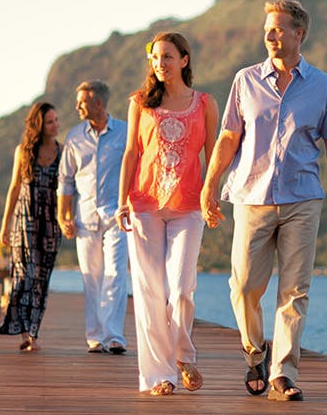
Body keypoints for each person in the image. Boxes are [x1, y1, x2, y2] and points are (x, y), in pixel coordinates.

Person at [202, 0, 327, 402]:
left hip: (303, 199)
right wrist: (210, 184)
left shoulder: (324, 86)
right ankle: (255, 353)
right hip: (251, 197)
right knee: (245, 285)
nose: (270, 35)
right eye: (268, 28)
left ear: (299, 35)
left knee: (295, 291)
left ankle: (283, 373)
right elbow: (229, 136)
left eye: (279, 29)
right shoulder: (245, 81)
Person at [118, 32, 220, 396]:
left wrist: (211, 197)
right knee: (150, 291)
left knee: (180, 287)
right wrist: (120, 202)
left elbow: (212, 156)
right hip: (143, 203)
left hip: (188, 205)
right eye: (156, 57)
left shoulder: (204, 103)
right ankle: (159, 376)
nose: (160, 64)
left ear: (184, 60)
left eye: (167, 57)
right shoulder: (140, 102)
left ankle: (183, 355)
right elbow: (131, 153)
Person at [57, 80, 131, 355]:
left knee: (115, 275)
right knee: (91, 277)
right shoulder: (75, 137)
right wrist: (63, 216)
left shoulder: (125, 132)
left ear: (98, 103)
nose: (77, 106)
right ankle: (95, 336)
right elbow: (64, 180)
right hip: (85, 218)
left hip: (117, 216)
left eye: (82, 101)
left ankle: (114, 337)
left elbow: (135, 170)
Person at [0, 101, 63, 351]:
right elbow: (14, 188)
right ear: (39, 125)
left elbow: (67, 191)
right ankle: (25, 333)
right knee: (24, 277)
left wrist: (67, 218)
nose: (55, 125)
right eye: (50, 121)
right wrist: (5, 225)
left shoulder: (63, 151)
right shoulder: (23, 151)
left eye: (56, 120)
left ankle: (34, 331)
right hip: (24, 223)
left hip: (50, 226)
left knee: (40, 281)